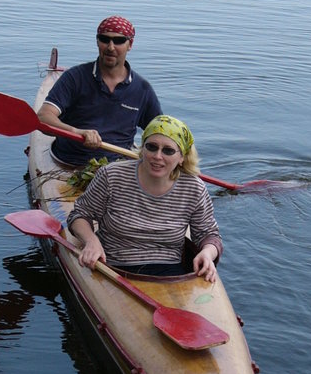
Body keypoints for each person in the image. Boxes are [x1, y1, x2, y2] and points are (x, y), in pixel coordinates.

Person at [67, 115, 223, 282]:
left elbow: (209, 235)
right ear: (143, 149)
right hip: (110, 265)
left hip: (170, 272)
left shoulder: (194, 188)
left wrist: (207, 253)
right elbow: (79, 215)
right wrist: (91, 241)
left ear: (182, 157)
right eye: (151, 147)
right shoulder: (111, 175)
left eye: (168, 150)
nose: (157, 156)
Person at [37, 16, 162, 166]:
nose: (110, 47)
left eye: (118, 41)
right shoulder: (74, 78)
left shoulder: (142, 89)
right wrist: (77, 132)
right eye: (104, 39)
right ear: (97, 42)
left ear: (130, 44)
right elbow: (43, 118)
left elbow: (160, 133)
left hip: (120, 167)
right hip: (71, 163)